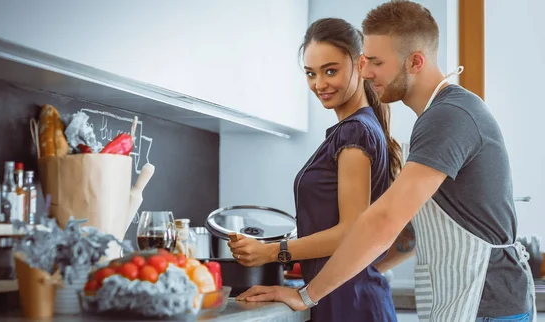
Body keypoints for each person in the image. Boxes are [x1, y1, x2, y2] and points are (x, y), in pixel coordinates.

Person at [236, 1, 536, 322]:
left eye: (375, 62)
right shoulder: (436, 117)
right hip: (470, 303)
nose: (365, 72)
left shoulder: (448, 116)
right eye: (365, 61)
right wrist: (361, 271)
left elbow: (384, 221)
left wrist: (306, 294)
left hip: (486, 305)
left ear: (415, 62)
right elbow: (410, 235)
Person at [228, 17, 409, 322]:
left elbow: (351, 231)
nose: (319, 84)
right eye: (311, 73)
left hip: (349, 307)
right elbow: (407, 237)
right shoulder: (363, 129)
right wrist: (361, 270)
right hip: (349, 298)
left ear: (361, 64)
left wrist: (272, 252)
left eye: (330, 71)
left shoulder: (355, 133)